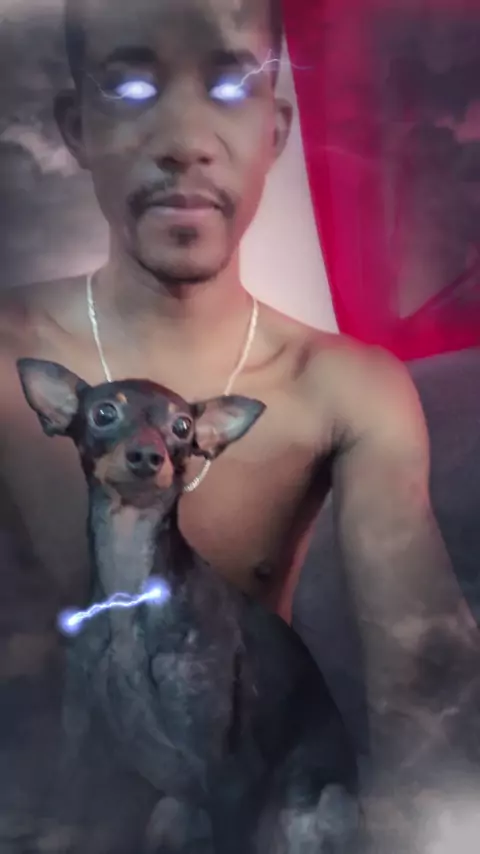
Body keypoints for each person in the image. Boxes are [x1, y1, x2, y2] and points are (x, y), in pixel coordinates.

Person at [0, 0, 478, 840]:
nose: (185, 139)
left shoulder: (345, 389)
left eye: (230, 85)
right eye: (131, 85)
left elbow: (426, 693)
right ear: (77, 127)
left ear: (276, 130)